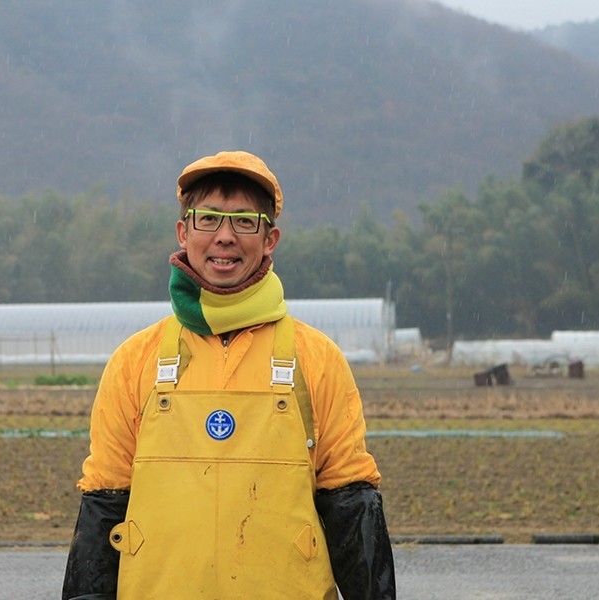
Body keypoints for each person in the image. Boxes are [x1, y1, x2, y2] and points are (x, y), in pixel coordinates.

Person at [62, 150, 395, 599]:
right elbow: (104, 507)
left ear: (270, 238)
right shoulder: (134, 361)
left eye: (243, 221)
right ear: (183, 232)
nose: (224, 237)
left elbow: (352, 507)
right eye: (208, 219)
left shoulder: (315, 359)